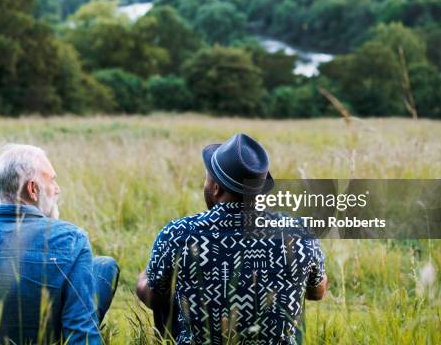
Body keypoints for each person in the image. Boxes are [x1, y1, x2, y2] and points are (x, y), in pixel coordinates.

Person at [136, 133, 327, 344]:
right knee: (291, 298)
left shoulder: (179, 233)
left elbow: (153, 297)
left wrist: (145, 276)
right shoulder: (299, 233)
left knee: (167, 291)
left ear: (216, 188)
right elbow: (317, 292)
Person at [0, 144, 119, 344]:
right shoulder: (73, 239)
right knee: (104, 267)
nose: (57, 189)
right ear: (32, 189)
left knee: (102, 266)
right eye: (52, 180)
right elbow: (81, 332)